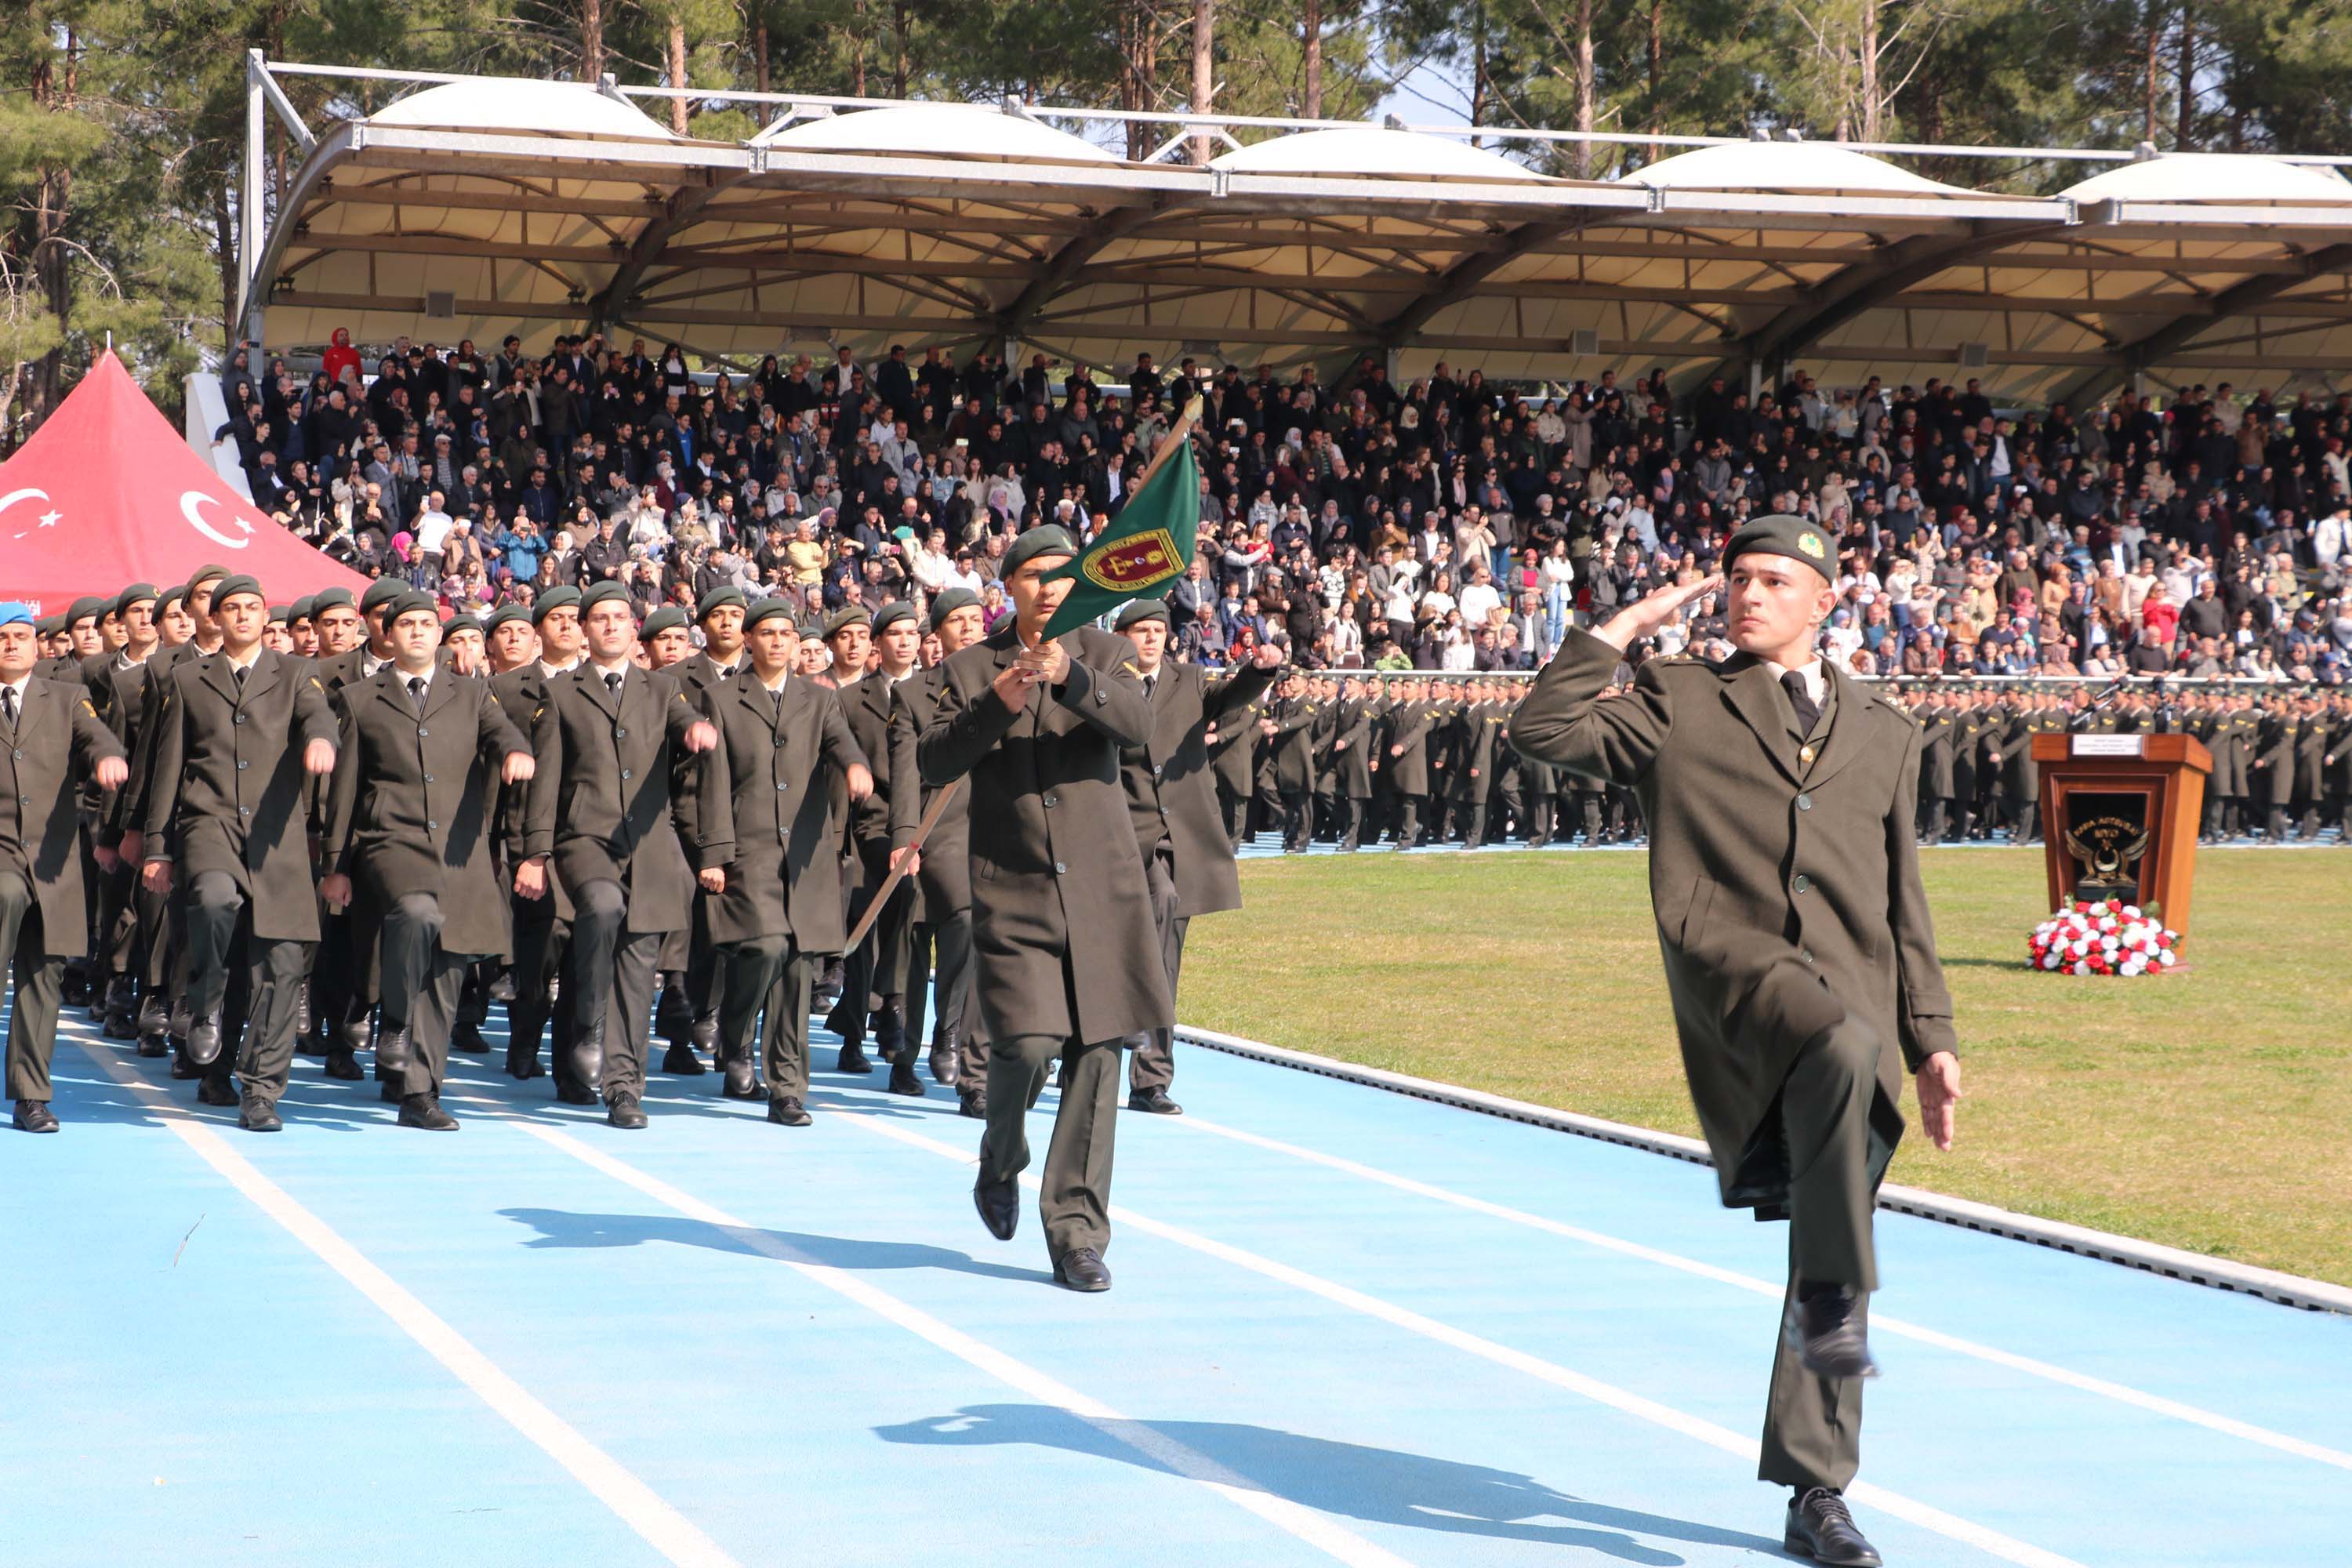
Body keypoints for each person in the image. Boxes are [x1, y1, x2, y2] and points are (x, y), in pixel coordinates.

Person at [1512, 514, 1962, 1568]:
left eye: (1771, 581)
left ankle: (1817, 1487)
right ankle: (1794, 1139)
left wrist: (1933, 1038)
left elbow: (1906, 903)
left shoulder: (1885, 729)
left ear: (1824, 601)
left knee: (1837, 1255)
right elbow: (1541, 733)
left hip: (1852, 1010)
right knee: (1840, 1046)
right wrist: (1625, 627)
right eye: (1734, 580)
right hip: (1746, 984)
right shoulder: (1676, 699)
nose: (1746, 596)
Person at [916, 524, 1168, 1293]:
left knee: (1097, 1058)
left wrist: (1072, 679)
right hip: (1014, 886)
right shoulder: (969, 667)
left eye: (1062, 575)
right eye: (1032, 576)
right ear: (1010, 586)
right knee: (1024, 1045)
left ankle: (1077, 1233)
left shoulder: (1106, 652)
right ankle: (1001, 1153)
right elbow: (933, 758)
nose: (1049, 588)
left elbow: (1140, 727)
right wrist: (994, 705)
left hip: (1104, 891)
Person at [319, 593, 534, 1131]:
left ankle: (420, 1093)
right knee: (416, 915)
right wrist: (336, 864)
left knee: (447, 969)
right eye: (406, 624)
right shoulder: (361, 698)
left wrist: (514, 750)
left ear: (440, 636)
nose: (417, 632)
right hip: (390, 837)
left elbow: (500, 729)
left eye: (426, 624)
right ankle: (393, 1017)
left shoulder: (471, 691)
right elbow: (344, 788)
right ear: (389, 635)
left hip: (458, 847)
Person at [139, 575, 340, 1129]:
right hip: (210, 823)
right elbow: (167, 768)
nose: (244, 616)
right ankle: (200, 998)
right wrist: (157, 847)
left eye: (254, 607)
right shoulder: (186, 679)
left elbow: (317, 717)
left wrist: (323, 740)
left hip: (278, 838)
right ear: (217, 619)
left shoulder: (296, 672)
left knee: (280, 965)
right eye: (233, 608)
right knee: (211, 901)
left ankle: (259, 1090)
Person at [518, 581, 718, 1129]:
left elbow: (680, 721)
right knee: (602, 909)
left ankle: (624, 1087)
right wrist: (536, 852)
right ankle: (588, 1022)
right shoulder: (561, 693)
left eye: (620, 617)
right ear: (585, 630)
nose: (610, 625)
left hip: (650, 847)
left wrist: (698, 729)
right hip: (586, 840)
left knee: (636, 971)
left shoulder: (662, 688)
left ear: (634, 628)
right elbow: (548, 778)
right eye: (599, 618)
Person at [689, 599, 871, 1123]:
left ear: (796, 643)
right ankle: (737, 1032)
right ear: (749, 640)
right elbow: (715, 781)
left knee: (797, 967)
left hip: (806, 855)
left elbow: (841, 742)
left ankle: (787, 1087)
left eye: (785, 633)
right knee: (766, 949)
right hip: (750, 852)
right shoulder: (721, 697)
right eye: (765, 633)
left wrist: (856, 766)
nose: (776, 641)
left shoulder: (820, 700)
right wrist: (716, 854)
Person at [1110, 598, 1282, 1113]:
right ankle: (1069, 1049)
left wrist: (1259, 670)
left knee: (1166, 953)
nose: (1150, 639)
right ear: (1120, 636)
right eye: (1139, 630)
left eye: (1157, 630)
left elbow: (1229, 696)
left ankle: (1151, 1079)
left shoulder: (1187, 681)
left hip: (1177, 839)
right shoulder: (1104, 686)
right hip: (1120, 836)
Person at [0, 601, 130, 1131]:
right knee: (4, 894)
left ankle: (32, 1094)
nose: (11, 644)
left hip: (53, 864)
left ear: (37, 647)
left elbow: (95, 736)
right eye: (2, 637)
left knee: (42, 978)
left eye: (20, 636)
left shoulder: (69, 698)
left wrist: (106, 757)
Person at [885, 588, 989, 1112]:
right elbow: (905, 771)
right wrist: (906, 836)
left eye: (976, 619)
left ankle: (955, 1039)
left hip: (993, 827)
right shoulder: (915, 694)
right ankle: (906, 1049)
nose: (969, 628)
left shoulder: (1005, 677)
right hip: (937, 830)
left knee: (968, 929)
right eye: (957, 621)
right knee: (915, 942)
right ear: (938, 634)